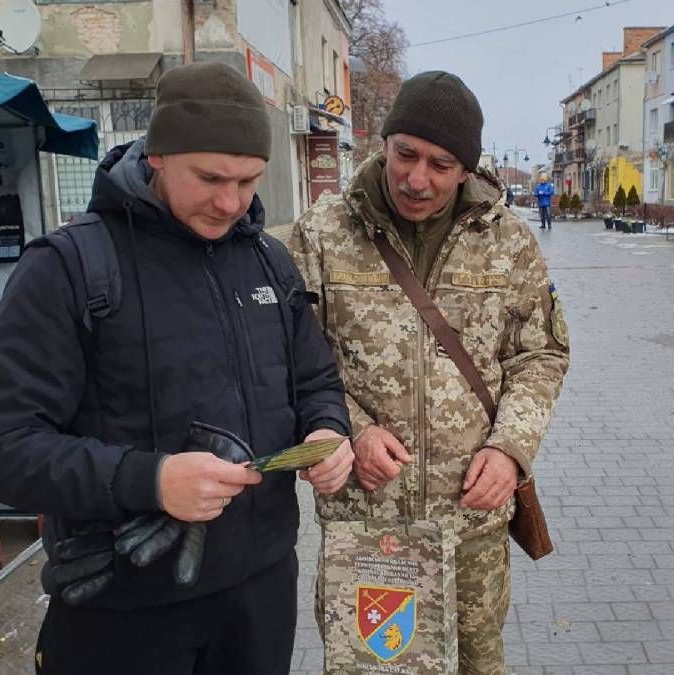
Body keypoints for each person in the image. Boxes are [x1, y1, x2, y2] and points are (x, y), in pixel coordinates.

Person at [0, 61, 354, 675]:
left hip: (261, 595)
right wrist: (150, 480)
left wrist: (328, 431)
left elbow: (316, 382)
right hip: (122, 609)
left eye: (248, 181)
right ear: (159, 156)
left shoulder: (269, 262)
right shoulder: (68, 267)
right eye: (210, 177)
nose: (230, 202)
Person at [271, 70, 570, 675]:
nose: (416, 178)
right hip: (367, 520)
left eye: (440, 163)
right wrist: (351, 429)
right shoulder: (321, 235)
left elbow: (539, 355)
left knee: (477, 663)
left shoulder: (508, 242)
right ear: (384, 143)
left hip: (472, 519)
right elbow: (289, 358)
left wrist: (511, 449)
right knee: (372, 666)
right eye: (405, 154)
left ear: (466, 169)